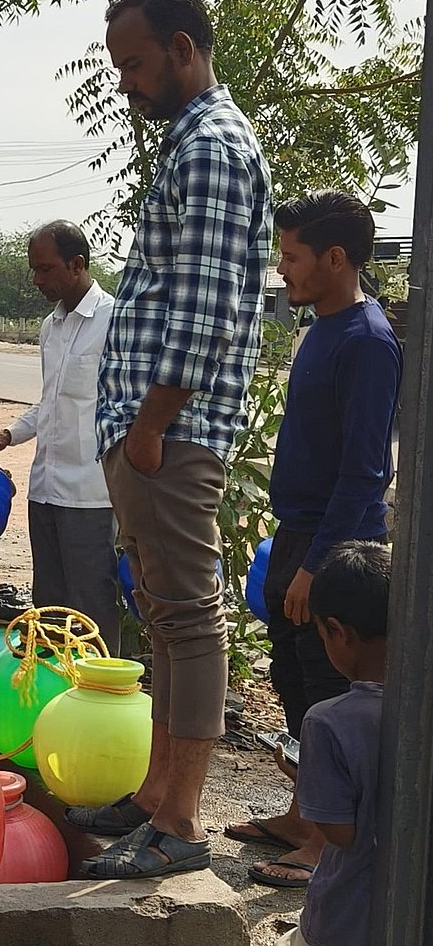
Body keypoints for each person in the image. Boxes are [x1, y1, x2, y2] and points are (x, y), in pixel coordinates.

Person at [65, 0, 273, 879]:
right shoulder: (192, 143)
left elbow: (206, 308)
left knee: (188, 616)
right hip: (156, 428)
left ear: (184, 49)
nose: (126, 84)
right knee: (160, 610)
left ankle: (180, 820)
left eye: (136, 64)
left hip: (172, 430)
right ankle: (155, 796)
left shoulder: (214, 148)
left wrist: (151, 425)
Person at [223, 192, 401, 887]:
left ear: (335, 258)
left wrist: (317, 565)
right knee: (294, 678)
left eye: (292, 257)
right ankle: (303, 815)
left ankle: (328, 845)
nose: (282, 269)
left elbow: (364, 472)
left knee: (331, 689)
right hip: (297, 533)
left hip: (338, 544)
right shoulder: (322, 326)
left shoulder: (367, 341)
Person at [0, 221, 120, 652]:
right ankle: (50, 697)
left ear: (77, 264)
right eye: (34, 269)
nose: (36, 279)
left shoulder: (113, 321)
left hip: (90, 493)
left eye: (45, 269)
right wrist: (9, 434)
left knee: (91, 606)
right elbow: (52, 403)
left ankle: (99, 703)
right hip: (45, 489)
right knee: (48, 607)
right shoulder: (51, 328)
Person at [273, 540, 389, 946]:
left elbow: (340, 834)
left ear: (337, 631)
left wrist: (306, 780)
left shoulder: (328, 721)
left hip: (349, 917)